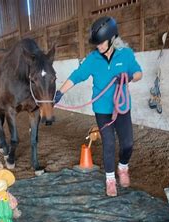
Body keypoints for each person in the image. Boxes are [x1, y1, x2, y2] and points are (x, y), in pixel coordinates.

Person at [55, 16, 142, 197]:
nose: (99, 46)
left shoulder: (125, 54)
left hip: (122, 106)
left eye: (102, 43)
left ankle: (123, 167)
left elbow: (138, 72)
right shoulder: (93, 59)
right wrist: (60, 92)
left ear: (111, 39)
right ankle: (110, 180)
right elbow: (77, 75)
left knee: (128, 144)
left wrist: (128, 77)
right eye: (97, 44)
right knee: (109, 144)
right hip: (102, 109)